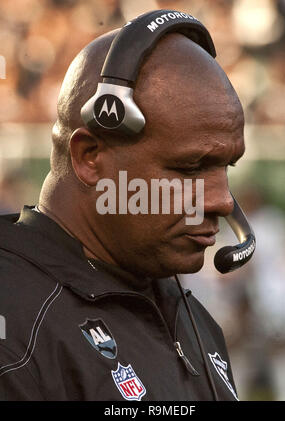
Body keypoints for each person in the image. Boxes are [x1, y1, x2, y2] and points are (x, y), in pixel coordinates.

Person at [0, 17, 245, 401]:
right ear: (90, 157)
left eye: (225, 166)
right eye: (190, 168)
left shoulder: (191, 317)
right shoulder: (15, 330)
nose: (222, 200)